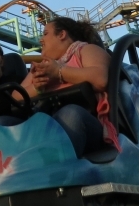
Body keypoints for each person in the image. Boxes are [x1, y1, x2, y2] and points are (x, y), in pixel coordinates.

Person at [21, 16, 118, 158]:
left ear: (62, 34)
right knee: (6, 123)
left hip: (88, 126)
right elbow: (15, 96)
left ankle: (57, 172)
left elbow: (100, 79)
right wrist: (36, 87)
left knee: (71, 114)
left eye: (46, 34)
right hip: (46, 126)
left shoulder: (85, 50)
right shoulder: (42, 66)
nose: (41, 40)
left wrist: (58, 72)